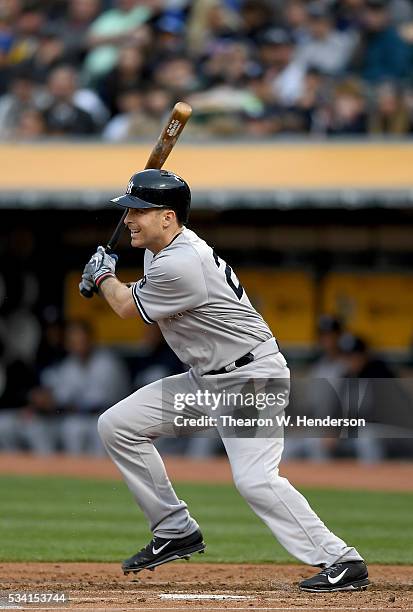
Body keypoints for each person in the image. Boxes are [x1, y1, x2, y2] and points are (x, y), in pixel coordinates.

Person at [79, 168, 369, 592]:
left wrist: (102, 276)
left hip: (250, 380)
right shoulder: (157, 252)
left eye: (140, 211)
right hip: (205, 381)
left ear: (169, 218)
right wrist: (108, 279)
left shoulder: (182, 263)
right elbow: (131, 294)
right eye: (128, 211)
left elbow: (125, 307)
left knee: (255, 480)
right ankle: (174, 528)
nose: (129, 220)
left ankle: (342, 559)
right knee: (118, 426)